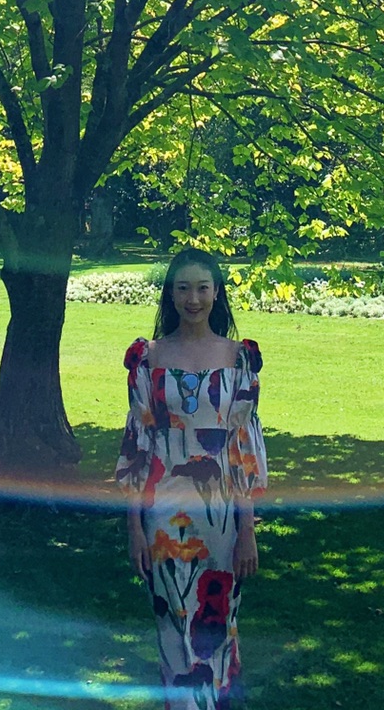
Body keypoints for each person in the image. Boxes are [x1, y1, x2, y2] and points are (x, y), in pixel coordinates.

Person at [116, 248, 267, 710]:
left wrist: (247, 532)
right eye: (183, 288)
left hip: (221, 518)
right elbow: (137, 445)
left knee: (216, 622)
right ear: (171, 294)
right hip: (162, 512)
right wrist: (134, 527)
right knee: (172, 620)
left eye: (202, 287)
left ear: (216, 293)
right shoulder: (149, 359)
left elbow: (244, 450)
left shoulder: (238, 360)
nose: (193, 298)